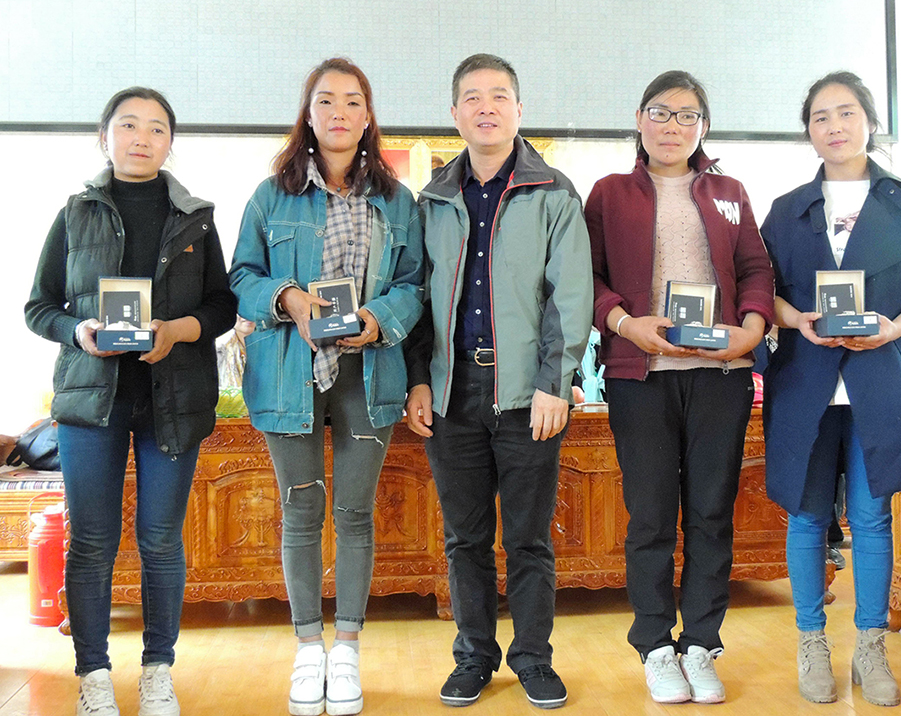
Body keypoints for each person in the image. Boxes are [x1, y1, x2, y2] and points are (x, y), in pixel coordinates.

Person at [25, 87, 237, 716]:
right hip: (93, 401)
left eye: (157, 128)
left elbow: (222, 306)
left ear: (171, 142)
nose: (142, 137)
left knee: (161, 539)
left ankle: (157, 672)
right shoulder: (75, 214)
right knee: (92, 541)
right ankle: (93, 674)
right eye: (128, 125)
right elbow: (39, 307)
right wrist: (79, 331)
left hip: (174, 399)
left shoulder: (198, 219)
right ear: (105, 136)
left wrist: (177, 331)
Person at [229, 58, 423, 716]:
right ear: (308, 116)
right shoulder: (270, 196)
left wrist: (380, 318)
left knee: (355, 513)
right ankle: (308, 646)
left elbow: (415, 285)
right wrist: (287, 296)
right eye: (326, 101)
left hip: (368, 371)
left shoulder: (397, 201)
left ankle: (347, 649)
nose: (339, 111)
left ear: (368, 117)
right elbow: (241, 277)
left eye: (352, 101)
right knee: (301, 511)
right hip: (289, 370)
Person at [404, 54, 592, 710]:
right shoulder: (431, 199)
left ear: (519, 109)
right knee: (465, 539)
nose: (487, 107)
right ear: (454, 113)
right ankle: (474, 657)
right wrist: (418, 380)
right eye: (473, 97)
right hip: (452, 394)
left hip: (526, 395)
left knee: (529, 540)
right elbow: (416, 296)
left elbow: (570, 293)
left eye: (499, 96)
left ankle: (534, 659)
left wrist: (554, 381)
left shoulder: (554, 192)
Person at [760, 71, 901, 707]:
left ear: (870, 121)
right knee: (807, 515)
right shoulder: (786, 209)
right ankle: (811, 641)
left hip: (881, 379)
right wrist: (797, 320)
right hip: (805, 382)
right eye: (820, 116)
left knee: (872, 518)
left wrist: (894, 326)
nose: (834, 126)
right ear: (808, 131)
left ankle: (871, 647)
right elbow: (763, 293)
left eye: (846, 113)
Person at [584, 70, 774, 705]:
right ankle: (655, 646)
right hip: (641, 377)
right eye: (661, 112)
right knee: (650, 516)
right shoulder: (609, 194)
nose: (673, 125)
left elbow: (756, 267)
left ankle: (701, 644)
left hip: (721, 376)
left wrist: (752, 330)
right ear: (639, 120)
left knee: (712, 513)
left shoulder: (730, 192)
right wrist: (625, 323)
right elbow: (588, 276)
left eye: (687, 115)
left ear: (703, 127)